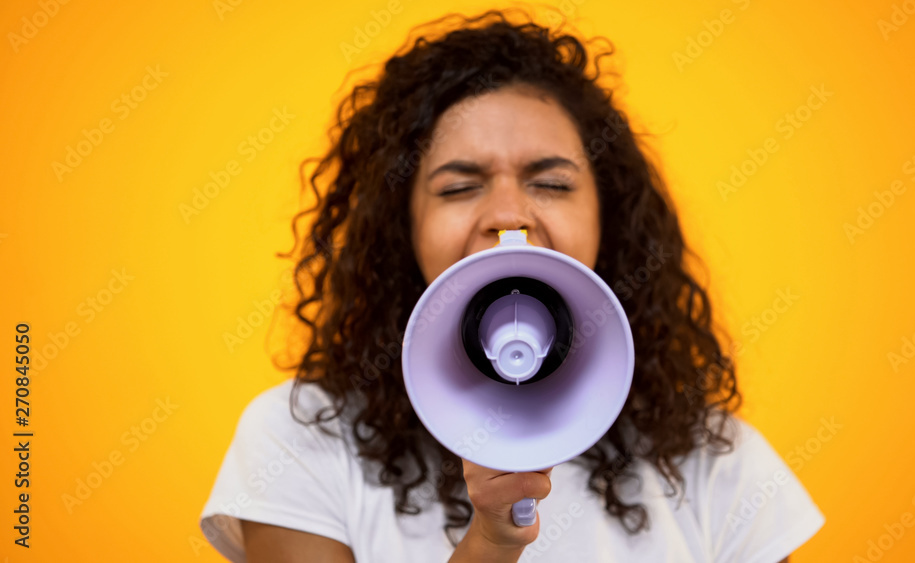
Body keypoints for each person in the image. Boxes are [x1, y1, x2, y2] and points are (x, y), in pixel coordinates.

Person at [199, 8, 825, 562]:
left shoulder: (716, 461)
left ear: (608, 216)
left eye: (551, 183)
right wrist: (490, 546)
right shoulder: (301, 437)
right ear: (402, 227)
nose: (509, 215)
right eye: (458, 186)